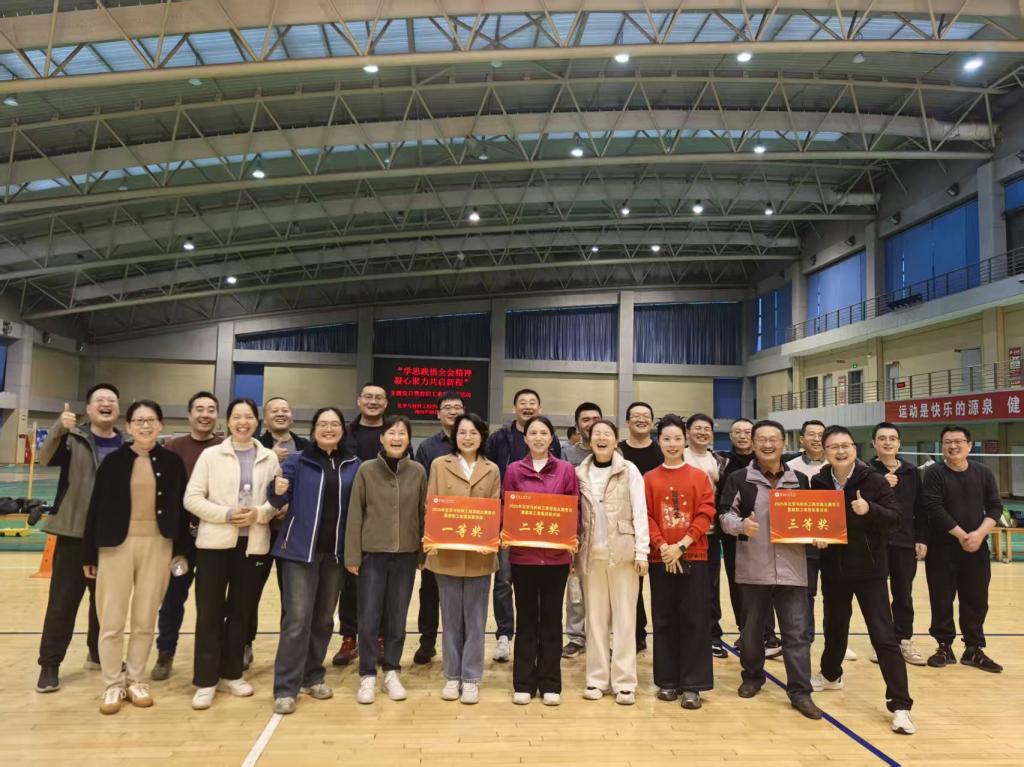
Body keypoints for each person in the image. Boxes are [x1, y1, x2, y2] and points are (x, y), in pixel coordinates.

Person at [81, 400, 189, 714]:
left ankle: (136, 680)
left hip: (158, 545)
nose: (145, 425)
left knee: (145, 618)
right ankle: (112, 684)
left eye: (151, 420)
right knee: (111, 620)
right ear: (128, 426)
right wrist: (89, 553)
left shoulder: (172, 462)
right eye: (139, 420)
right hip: (115, 547)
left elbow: (181, 511)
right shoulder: (113, 462)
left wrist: (182, 551)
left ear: (160, 425)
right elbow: (95, 508)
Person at [810, 426, 915, 735]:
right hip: (834, 570)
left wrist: (869, 509)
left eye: (845, 445)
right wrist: (816, 537)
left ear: (855, 449)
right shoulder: (818, 482)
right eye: (833, 447)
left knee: (883, 636)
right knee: (834, 628)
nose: (840, 451)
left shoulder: (874, 481)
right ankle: (831, 675)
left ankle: (901, 705)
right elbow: (815, 521)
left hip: (870, 571)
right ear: (825, 452)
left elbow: (895, 519)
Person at [718, 419, 822, 720]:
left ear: (783, 443)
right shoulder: (739, 478)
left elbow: (812, 516)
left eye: (773, 439)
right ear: (753, 444)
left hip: (793, 569)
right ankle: (752, 677)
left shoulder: (799, 480)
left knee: (797, 633)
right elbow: (723, 515)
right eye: (761, 439)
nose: (767, 444)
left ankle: (800, 692)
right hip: (754, 568)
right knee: (751, 632)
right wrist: (741, 525)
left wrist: (818, 535)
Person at [184, 398, 280, 710]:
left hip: (252, 546)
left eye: (248, 417)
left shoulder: (268, 457)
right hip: (214, 546)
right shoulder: (211, 456)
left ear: (256, 422)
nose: (243, 422)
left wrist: (259, 514)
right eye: (237, 417)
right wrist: (226, 514)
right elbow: (192, 498)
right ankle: (205, 680)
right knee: (209, 613)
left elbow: (276, 501)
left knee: (241, 612)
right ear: (228, 422)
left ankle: (232, 673)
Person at [267, 406, 359, 715]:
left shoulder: (353, 465)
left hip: (335, 555)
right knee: (297, 620)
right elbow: (277, 500)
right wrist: (275, 489)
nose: (329, 429)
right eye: (323, 424)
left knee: (323, 619)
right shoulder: (297, 461)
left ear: (342, 430)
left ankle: (312, 675)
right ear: (314, 429)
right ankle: (285, 687)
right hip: (299, 552)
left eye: (334, 424)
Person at [35, 384, 122, 694]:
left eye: (111, 400)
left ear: (118, 408)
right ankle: (49, 665)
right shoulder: (72, 438)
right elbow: (44, 458)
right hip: (74, 532)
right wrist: (59, 428)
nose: (106, 404)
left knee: (106, 603)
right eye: (99, 400)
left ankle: (98, 653)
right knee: (63, 603)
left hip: (110, 538)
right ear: (88, 408)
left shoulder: (126, 444)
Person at [345, 415, 427, 704]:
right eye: (391, 432)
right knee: (368, 617)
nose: (396, 437)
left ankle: (391, 671)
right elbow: (355, 514)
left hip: (406, 556)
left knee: (397, 617)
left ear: (409, 439)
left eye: (402, 433)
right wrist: (353, 555)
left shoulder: (418, 471)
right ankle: (367, 674)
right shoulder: (366, 470)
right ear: (381, 438)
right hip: (372, 555)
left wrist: (422, 552)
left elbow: (424, 513)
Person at [503, 415, 579, 706]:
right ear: (525, 438)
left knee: (551, 619)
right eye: (532, 433)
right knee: (525, 619)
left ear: (551, 438)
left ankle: (550, 682)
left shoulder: (565, 470)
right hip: (523, 557)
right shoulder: (513, 470)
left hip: (556, 558)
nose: (538, 438)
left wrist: (572, 538)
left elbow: (574, 510)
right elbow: (506, 506)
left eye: (543, 433)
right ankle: (523, 682)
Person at [426, 413, 501, 705]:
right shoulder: (439, 465)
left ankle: (470, 677)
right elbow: (431, 504)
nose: (467, 437)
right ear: (454, 436)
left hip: (479, 556)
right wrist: (431, 539)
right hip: (447, 553)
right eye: (462, 432)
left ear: (482, 436)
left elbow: (495, 508)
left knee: (476, 619)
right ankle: (451, 675)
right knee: (451, 619)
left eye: (473, 432)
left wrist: (490, 539)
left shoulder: (491, 469)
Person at [485, 389, 564, 663]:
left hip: (544, 525)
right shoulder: (499, 439)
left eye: (532, 403)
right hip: (511, 525)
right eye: (522, 403)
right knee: (503, 580)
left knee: (539, 587)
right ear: (514, 408)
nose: (527, 407)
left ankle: (539, 634)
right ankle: (505, 634)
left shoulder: (553, 447)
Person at [646, 414, 716, 709]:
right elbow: (646, 516)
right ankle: (667, 681)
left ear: (684, 440)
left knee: (695, 620)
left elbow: (706, 512)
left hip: (694, 557)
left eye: (677, 438)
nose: (672, 444)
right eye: (666, 439)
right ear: (658, 441)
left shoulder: (699, 477)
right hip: (661, 558)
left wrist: (682, 545)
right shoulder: (649, 478)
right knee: (664, 619)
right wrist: (664, 546)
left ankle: (692, 685)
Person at [576, 420, 648, 705]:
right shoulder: (579, 473)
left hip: (624, 554)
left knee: (625, 619)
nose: (602, 438)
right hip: (590, 556)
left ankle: (625, 682)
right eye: (597, 434)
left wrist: (642, 551)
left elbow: (640, 511)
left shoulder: (629, 470)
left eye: (607, 434)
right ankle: (596, 680)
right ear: (590, 440)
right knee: (594, 621)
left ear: (616, 441)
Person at [152, 391, 223, 681]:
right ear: (189, 415)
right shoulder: (172, 448)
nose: (205, 414)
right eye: (199, 409)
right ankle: (165, 651)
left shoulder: (225, 446)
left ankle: (213, 656)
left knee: (212, 601)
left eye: (211, 409)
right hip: (180, 542)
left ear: (217, 415)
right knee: (173, 598)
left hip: (215, 538)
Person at [923, 424, 1003, 673]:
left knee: (976, 599)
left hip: (976, 547)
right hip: (942, 548)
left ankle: (973, 649)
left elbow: (995, 507)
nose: (953, 446)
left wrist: (978, 535)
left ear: (969, 445)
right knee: (941, 598)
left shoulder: (983, 473)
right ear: (942, 446)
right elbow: (934, 508)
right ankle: (944, 646)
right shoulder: (934, 473)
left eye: (958, 441)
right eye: (947, 442)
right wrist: (961, 535)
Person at [248, 396, 310, 670]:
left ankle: (291, 650)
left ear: (292, 416)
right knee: (249, 592)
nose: (281, 414)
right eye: (275, 411)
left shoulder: (307, 447)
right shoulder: (254, 445)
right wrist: (269, 456)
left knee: (293, 597)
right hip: (260, 529)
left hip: (292, 534)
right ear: (265, 417)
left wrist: (289, 506)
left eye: (285, 410)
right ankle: (245, 643)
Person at [333, 382, 390, 667]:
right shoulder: (344, 434)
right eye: (368, 397)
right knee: (350, 580)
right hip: (349, 515)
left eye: (378, 398)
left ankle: (380, 637)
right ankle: (349, 637)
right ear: (359, 401)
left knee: (382, 582)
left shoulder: (393, 432)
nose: (373, 401)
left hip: (384, 517)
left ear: (386, 403)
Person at [786, 420, 851, 658]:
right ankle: (805, 638)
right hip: (806, 543)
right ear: (801, 439)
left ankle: (837, 642)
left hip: (837, 542)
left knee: (836, 595)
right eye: (811, 434)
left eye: (820, 435)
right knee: (807, 593)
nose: (816, 439)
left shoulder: (840, 463)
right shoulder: (789, 467)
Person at [717, 418, 780, 657]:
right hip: (735, 535)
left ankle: (769, 635)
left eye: (747, 432)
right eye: (737, 432)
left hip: (767, 536)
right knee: (739, 587)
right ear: (731, 436)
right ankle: (745, 633)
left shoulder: (770, 463)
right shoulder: (723, 463)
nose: (742, 436)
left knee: (768, 584)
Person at [412, 390, 466, 666]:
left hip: (469, 528)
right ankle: (427, 641)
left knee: (463, 589)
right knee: (430, 588)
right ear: (438, 414)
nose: (453, 411)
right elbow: (422, 490)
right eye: (447, 407)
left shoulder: (475, 443)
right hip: (438, 528)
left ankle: (460, 643)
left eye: (457, 407)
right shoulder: (427, 447)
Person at [869, 422, 928, 666]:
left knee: (903, 593)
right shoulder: (865, 471)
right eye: (882, 438)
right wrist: (880, 484)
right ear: (873, 443)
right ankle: (883, 643)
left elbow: (920, 508)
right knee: (877, 595)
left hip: (904, 542)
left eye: (892, 438)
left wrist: (921, 538)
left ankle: (903, 639)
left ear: (899, 443)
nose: (887, 442)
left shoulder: (911, 471)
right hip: (875, 542)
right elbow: (858, 504)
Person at [683, 413, 728, 660]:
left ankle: (712, 636)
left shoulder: (719, 460)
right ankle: (687, 635)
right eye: (697, 428)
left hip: (709, 534)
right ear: (687, 432)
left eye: (706, 429)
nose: (702, 432)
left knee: (710, 587)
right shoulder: (679, 456)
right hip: (682, 535)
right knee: (684, 587)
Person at [618, 400, 662, 652]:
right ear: (627, 421)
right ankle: (636, 634)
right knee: (631, 586)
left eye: (646, 415)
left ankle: (664, 636)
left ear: (652, 421)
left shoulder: (662, 450)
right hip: (628, 528)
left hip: (660, 528)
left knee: (661, 585)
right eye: (636, 416)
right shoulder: (618, 452)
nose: (641, 419)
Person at [561, 401, 603, 659]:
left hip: (605, 530)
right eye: (586, 419)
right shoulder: (567, 454)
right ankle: (576, 637)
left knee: (602, 588)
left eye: (596, 418)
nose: (591, 423)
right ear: (577, 425)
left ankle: (601, 637)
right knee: (575, 588)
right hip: (576, 528)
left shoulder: (615, 452)